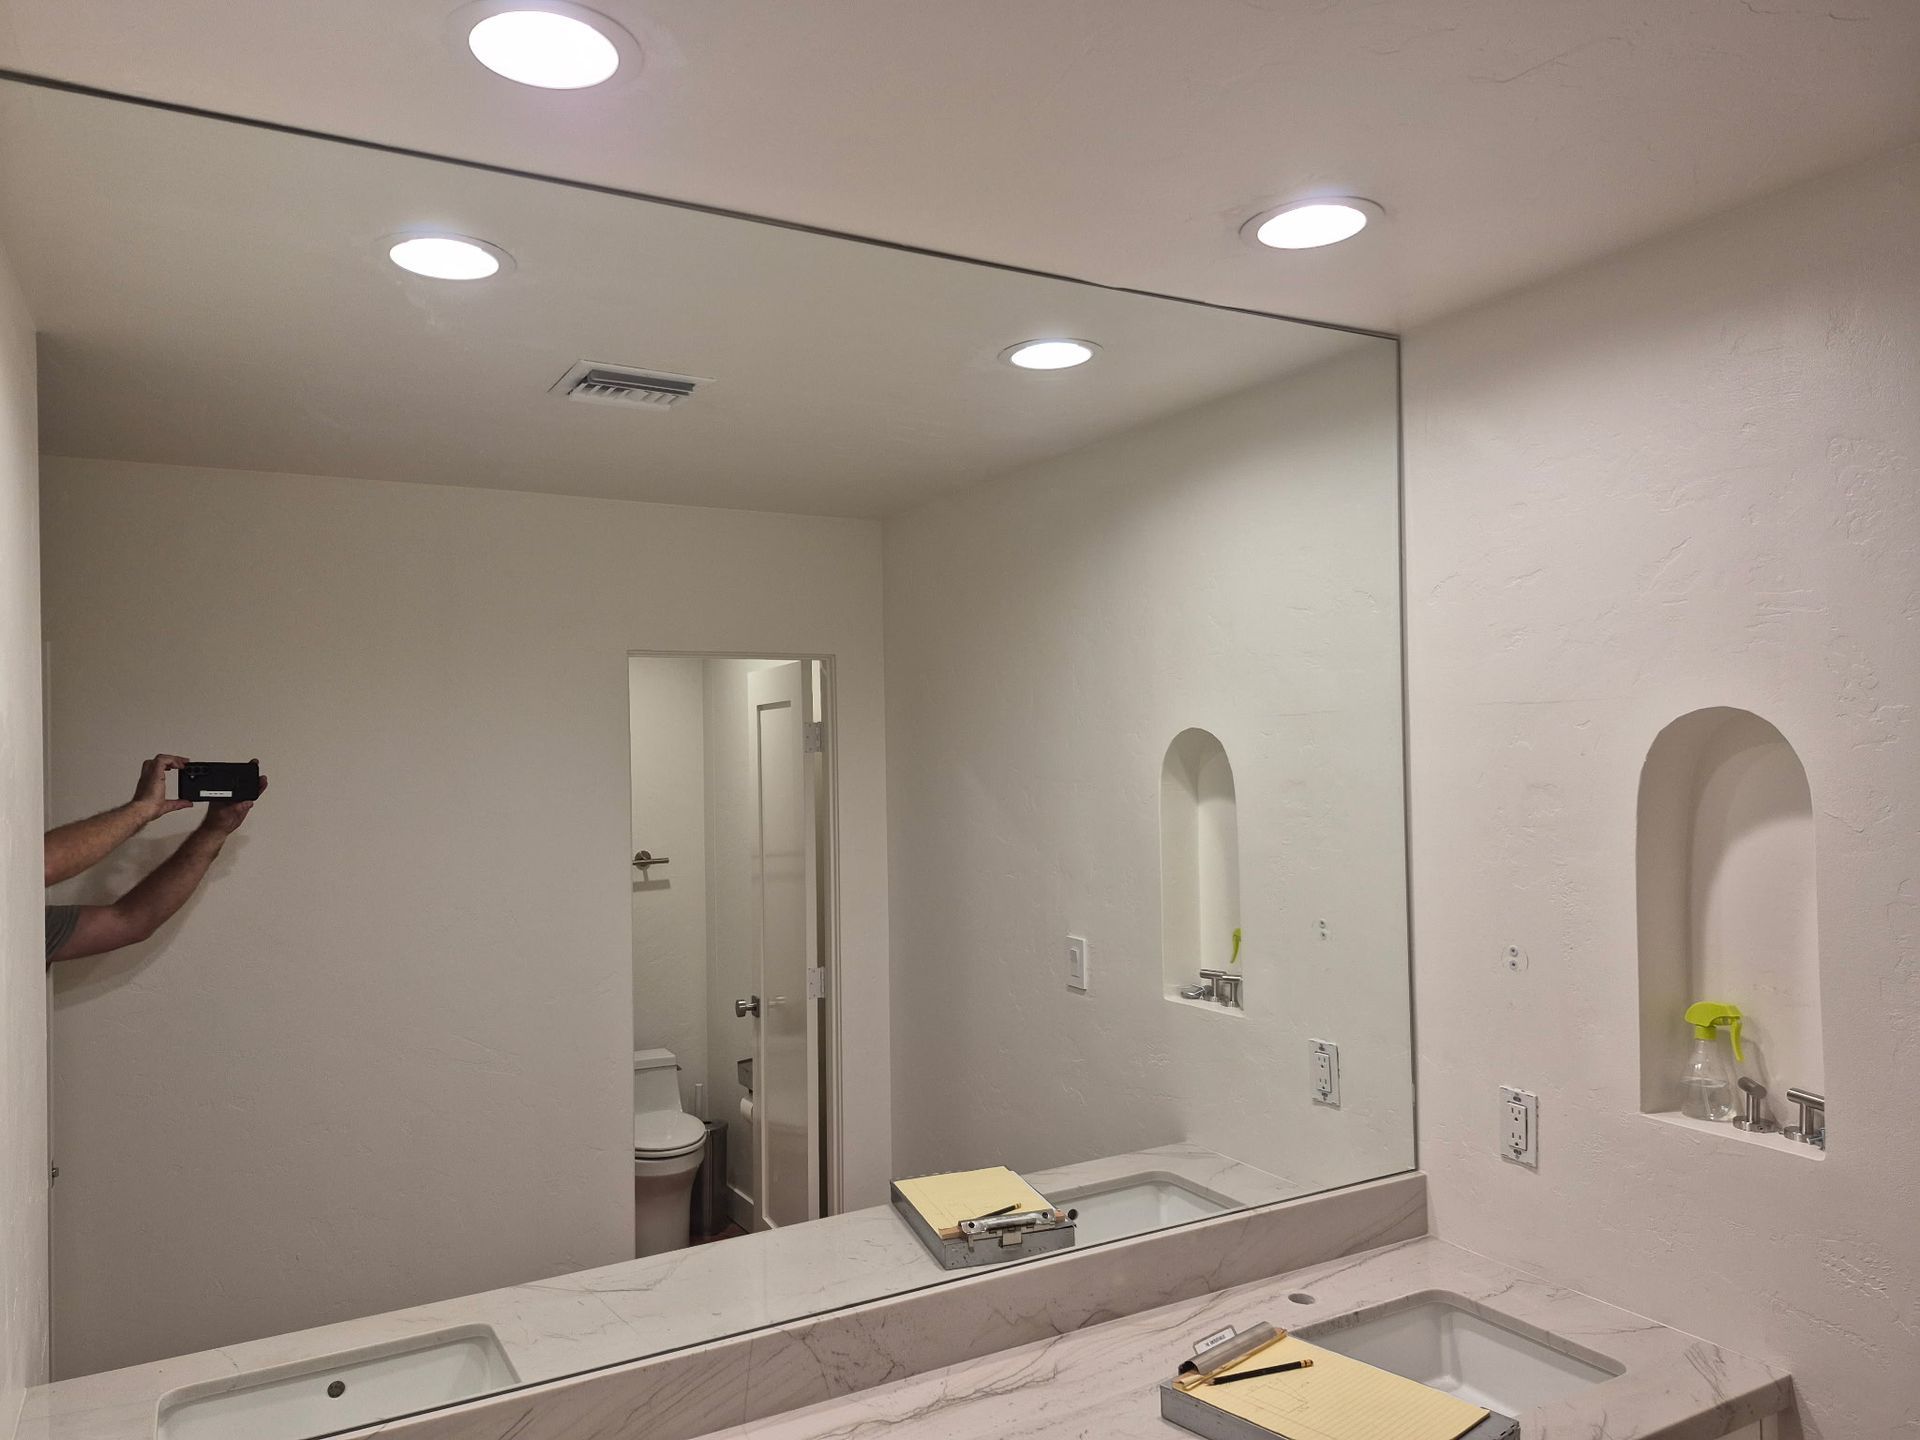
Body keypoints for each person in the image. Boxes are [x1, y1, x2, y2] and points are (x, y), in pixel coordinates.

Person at [45, 754, 267, 964]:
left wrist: (214, 831)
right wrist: (142, 809)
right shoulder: (16, 895)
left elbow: (129, 922)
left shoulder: (32, 925)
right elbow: (41, 866)